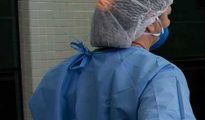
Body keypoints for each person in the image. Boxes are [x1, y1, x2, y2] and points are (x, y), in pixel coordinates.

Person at [27, 0, 195, 119]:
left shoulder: (61, 74)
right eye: (167, 15)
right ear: (151, 23)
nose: (167, 23)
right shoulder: (160, 75)